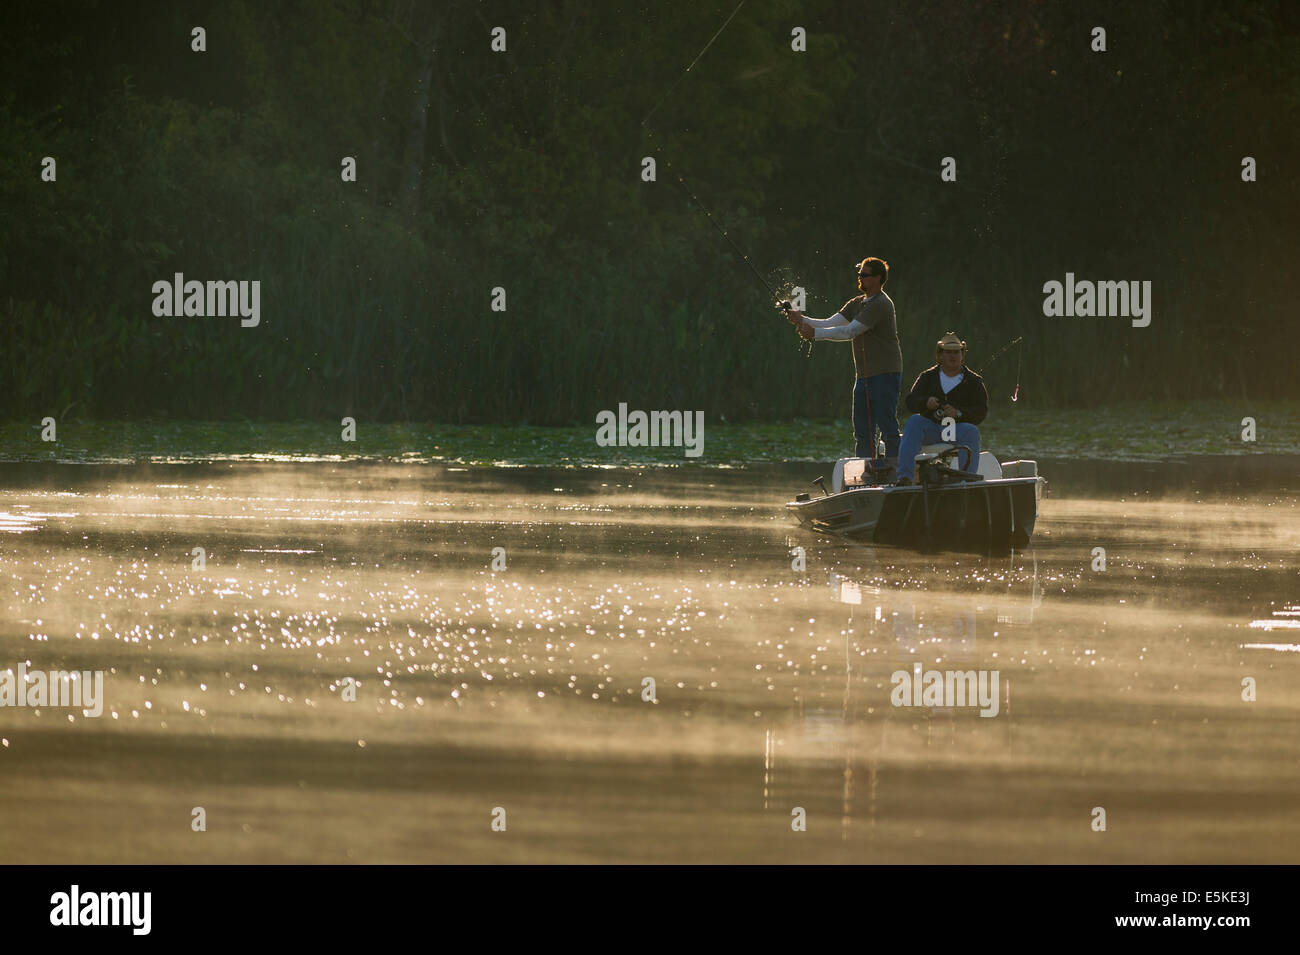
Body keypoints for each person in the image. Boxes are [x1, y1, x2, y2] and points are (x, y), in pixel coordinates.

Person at [783, 258, 903, 471]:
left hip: (885, 373)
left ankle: (895, 471)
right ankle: (867, 474)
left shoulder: (881, 304)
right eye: (859, 274)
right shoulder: (857, 303)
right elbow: (831, 322)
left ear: (877, 279)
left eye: (864, 275)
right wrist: (802, 320)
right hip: (864, 375)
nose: (860, 278)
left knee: (887, 427)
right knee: (863, 431)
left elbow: (850, 332)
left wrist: (815, 334)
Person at [894, 332, 988, 485]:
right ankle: (905, 477)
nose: (953, 356)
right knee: (914, 421)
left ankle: (967, 479)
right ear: (940, 355)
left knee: (971, 431)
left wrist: (959, 413)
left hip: (956, 429)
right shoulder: (927, 377)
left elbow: (981, 411)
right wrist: (926, 402)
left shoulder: (974, 381)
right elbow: (910, 402)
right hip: (931, 429)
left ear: (962, 354)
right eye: (948, 352)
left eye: (957, 352)